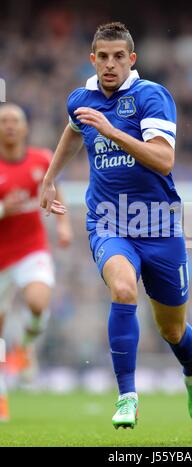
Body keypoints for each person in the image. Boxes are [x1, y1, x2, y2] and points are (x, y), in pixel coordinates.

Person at [40, 22, 192, 429]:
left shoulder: (152, 96)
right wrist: (49, 178)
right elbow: (74, 128)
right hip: (108, 221)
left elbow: (163, 160)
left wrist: (112, 131)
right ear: (93, 60)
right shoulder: (82, 99)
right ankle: (127, 397)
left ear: (132, 60)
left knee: (172, 329)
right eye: (103, 57)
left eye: (119, 56)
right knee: (122, 287)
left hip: (159, 225)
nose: (111, 64)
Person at [0, 103, 73, 421]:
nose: (10, 126)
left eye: (16, 120)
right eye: (4, 121)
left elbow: (55, 189)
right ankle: (1, 396)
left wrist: (63, 224)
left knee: (38, 301)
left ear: (26, 127)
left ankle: (26, 348)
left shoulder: (42, 159)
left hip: (31, 249)